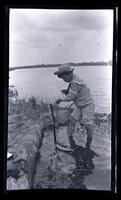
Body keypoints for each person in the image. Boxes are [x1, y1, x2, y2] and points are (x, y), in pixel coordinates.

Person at [54, 64, 95, 150]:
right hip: (79, 106)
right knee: (72, 120)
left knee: (87, 124)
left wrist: (61, 99)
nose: (63, 80)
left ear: (69, 74)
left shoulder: (75, 83)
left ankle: (89, 140)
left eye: (64, 78)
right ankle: (69, 137)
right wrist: (66, 91)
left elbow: (71, 97)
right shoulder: (73, 80)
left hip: (87, 105)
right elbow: (73, 92)